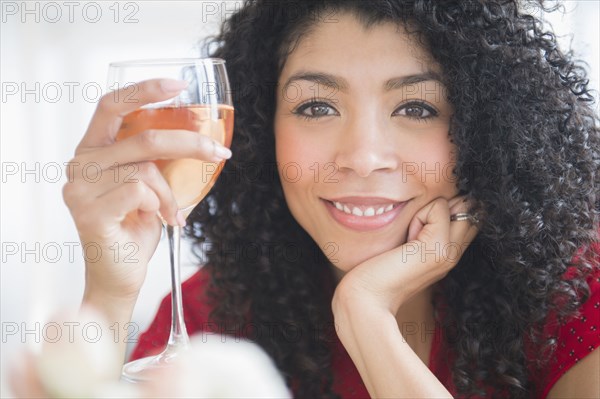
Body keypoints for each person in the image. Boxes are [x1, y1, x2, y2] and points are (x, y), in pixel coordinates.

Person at [58, 0, 599, 397]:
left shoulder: (578, 295)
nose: (363, 157)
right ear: (260, 130)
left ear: (489, 130)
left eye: (416, 108)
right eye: (317, 107)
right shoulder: (219, 309)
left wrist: (367, 319)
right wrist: (109, 290)